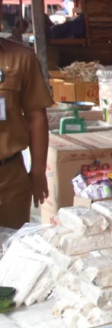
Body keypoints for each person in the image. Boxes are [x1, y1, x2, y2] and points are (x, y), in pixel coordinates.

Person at [0, 39, 51, 228]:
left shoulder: (21, 58)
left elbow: (36, 116)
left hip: (8, 180)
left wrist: (38, 171)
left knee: (12, 251)